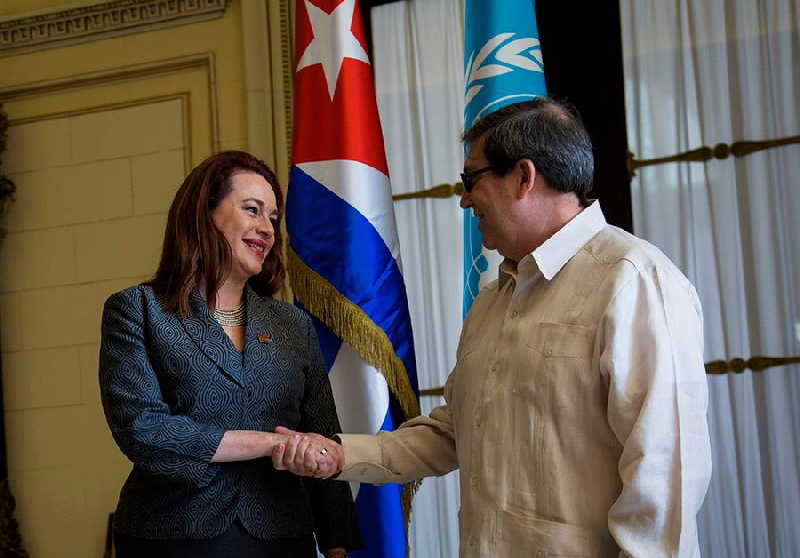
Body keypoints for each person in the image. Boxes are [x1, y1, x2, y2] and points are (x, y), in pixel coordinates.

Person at [272, 99, 713, 557]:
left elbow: (664, 478)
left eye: (472, 179)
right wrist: (340, 454)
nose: (463, 199)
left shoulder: (633, 280)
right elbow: (455, 431)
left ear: (523, 177)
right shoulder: (493, 298)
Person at [99, 150, 361, 558]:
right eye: (252, 210)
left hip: (281, 536)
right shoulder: (138, 310)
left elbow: (320, 433)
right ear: (204, 214)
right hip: (173, 536)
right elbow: (143, 431)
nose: (267, 229)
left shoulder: (291, 324)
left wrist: (337, 541)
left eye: (273, 217)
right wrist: (266, 444)